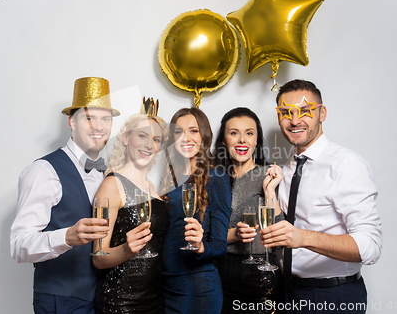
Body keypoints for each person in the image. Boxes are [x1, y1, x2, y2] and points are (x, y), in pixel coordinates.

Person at [259, 79, 382, 314]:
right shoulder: (287, 169)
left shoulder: (346, 165)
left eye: (305, 112)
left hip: (333, 297)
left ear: (321, 113)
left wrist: (303, 237)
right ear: (278, 118)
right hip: (289, 292)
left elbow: (371, 246)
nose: (295, 121)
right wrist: (269, 192)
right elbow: (285, 229)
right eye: (286, 113)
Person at [10, 77, 120, 314]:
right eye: (89, 117)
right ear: (71, 121)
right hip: (61, 301)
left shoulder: (108, 173)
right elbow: (18, 245)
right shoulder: (43, 171)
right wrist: (67, 236)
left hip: (100, 298)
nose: (98, 126)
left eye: (106, 119)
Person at [92, 102, 170, 314]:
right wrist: (127, 249)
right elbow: (98, 258)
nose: (148, 145)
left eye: (156, 140)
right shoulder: (111, 185)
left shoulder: (153, 188)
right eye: (142, 136)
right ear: (126, 138)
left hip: (155, 299)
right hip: (121, 302)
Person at [213, 107, 285, 313]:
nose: (242, 140)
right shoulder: (213, 179)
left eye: (249, 133)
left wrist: (269, 191)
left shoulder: (270, 176)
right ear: (224, 141)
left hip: (260, 277)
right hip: (220, 276)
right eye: (234, 133)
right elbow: (207, 238)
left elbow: (279, 234)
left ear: (256, 141)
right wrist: (234, 235)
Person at [160, 107, 232, 314]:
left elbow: (220, 245)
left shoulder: (216, 177)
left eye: (193, 130)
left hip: (198, 288)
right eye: (178, 132)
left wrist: (200, 246)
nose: (186, 138)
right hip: (165, 286)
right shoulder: (167, 178)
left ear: (204, 136)